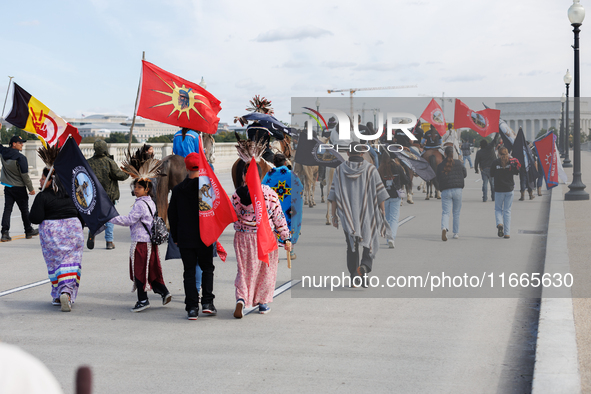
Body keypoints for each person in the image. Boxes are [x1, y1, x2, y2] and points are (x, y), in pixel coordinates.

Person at [110, 159, 172, 313]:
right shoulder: (150, 201)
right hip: (150, 243)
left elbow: (129, 220)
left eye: (140, 187)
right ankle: (164, 292)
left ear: (147, 189)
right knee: (151, 270)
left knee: (139, 271)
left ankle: (143, 300)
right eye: (135, 187)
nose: (136, 189)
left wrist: (110, 218)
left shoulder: (139, 204)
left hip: (141, 243)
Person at [232, 161, 292, 318]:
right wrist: (286, 237)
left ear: (245, 176)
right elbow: (278, 217)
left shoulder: (237, 194)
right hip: (265, 236)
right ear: (261, 175)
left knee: (244, 271)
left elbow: (232, 215)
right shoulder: (270, 193)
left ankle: (241, 299)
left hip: (243, 237)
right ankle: (263, 303)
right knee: (266, 270)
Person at [328, 141, 390, 288]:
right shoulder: (371, 169)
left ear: (348, 153)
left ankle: (354, 276)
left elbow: (334, 195)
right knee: (368, 242)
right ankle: (365, 267)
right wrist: (382, 211)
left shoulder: (339, 170)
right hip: (367, 213)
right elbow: (380, 193)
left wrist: (333, 215)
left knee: (351, 245)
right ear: (362, 153)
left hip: (347, 215)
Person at [168, 153, 216, 320]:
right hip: (204, 236)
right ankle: (208, 303)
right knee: (207, 268)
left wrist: (175, 236)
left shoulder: (177, 190)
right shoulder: (207, 189)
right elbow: (213, 212)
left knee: (189, 271)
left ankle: (192, 308)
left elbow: (172, 215)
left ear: (186, 167)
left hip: (185, 237)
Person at [29, 167, 84, 312]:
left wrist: (39, 200)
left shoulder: (43, 196)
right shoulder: (72, 195)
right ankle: (67, 292)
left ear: (50, 181)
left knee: (55, 264)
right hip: (74, 230)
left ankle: (60, 294)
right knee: (72, 263)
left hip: (52, 233)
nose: (41, 180)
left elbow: (35, 218)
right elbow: (81, 215)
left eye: (42, 178)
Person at [86, 140, 129, 250]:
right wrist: (128, 170)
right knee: (109, 218)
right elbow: (120, 175)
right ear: (105, 149)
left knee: (94, 216)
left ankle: (92, 234)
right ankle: (109, 242)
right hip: (108, 195)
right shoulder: (109, 162)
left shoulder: (88, 162)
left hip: (93, 196)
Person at [262, 153, 303, 260]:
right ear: (285, 162)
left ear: (274, 163)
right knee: (290, 224)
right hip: (289, 209)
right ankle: (291, 251)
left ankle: (273, 250)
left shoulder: (269, 175)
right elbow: (300, 188)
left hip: (274, 208)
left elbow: (262, 188)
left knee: (274, 225)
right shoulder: (291, 174)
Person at [1, 135, 38, 242]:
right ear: (14, 144)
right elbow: (25, 175)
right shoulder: (21, 158)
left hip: (8, 187)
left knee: (7, 210)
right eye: (20, 143)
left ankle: (4, 232)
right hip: (19, 188)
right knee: (24, 210)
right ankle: (28, 230)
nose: (22, 144)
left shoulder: (3, 152)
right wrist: (31, 188)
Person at [378, 153, 409, 249]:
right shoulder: (398, 167)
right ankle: (391, 238)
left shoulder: (379, 170)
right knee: (394, 219)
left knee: (387, 218)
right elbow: (406, 180)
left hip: (384, 196)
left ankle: (388, 238)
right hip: (396, 195)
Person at [436, 146, 467, 241]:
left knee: (446, 212)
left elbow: (438, 178)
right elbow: (464, 174)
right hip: (457, 190)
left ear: (444, 154)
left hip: (446, 190)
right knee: (456, 212)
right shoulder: (458, 163)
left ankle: (444, 228)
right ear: (453, 154)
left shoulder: (441, 165)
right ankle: (456, 233)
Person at [490, 147, 520, 239]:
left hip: (499, 189)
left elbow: (491, 174)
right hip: (509, 188)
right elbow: (516, 172)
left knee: (498, 209)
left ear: (498, 154)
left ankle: (499, 224)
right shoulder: (511, 162)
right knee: (507, 211)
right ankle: (507, 233)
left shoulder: (495, 162)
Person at [474, 134, 500, 202]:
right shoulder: (490, 147)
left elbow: (476, 161)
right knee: (493, 184)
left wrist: (476, 169)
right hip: (492, 169)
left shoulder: (479, 152)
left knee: (485, 184)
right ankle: (493, 197)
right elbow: (495, 140)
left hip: (484, 169)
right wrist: (497, 132)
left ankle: (485, 198)